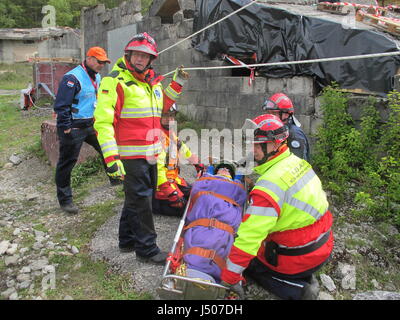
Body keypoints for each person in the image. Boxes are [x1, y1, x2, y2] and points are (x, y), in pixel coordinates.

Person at [93, 32, 189, 265]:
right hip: (129, 156)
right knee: (142, 202)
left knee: (134, 199)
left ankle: (126, 240)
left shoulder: (152, 83)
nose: (139, 59)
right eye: (136, 54)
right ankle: (146, 249)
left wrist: (176, 83)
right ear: (128, 54)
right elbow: (103, 123)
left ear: (151, 60)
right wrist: (111, 158)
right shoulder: (114, 82)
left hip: (151, 154)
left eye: (144, 56)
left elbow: (162, 106)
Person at [220, 114, 334, 300]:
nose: (252, 149)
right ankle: (303, 274)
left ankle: (299, 290)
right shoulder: (297, 163)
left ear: (275, 144)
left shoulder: (269, 187)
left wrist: (230, 278)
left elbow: (249, 239)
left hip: (301, 256)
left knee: (250, 263)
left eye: (257, 144)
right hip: (323, 243)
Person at [54, 46, 116, 215]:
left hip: (92, 124)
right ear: (89, 59)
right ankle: (65, 200)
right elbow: (61, 106)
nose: (102, 65)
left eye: (104, 62)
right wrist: (66, 127)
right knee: (67, 163)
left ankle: (116, 179)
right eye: (99, 61)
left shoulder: (97, 75)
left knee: (107, 149)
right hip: (73, 127)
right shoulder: (72, 78)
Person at [153, 103, 203, 217]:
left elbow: (181, 147)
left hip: (172, 180)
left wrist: (195, 162)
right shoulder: (156, 137)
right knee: (190, 210)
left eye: (171, 116)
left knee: (196, 195)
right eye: (165, 116)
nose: (169, 119)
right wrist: (170, 192)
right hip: (159, 189)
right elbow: (157, 169)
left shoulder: (169, 132)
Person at [262, 93, 311, 162]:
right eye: (269, 113)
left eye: (274, 113)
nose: (271, 117)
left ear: (286, 114)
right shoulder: (279, 131)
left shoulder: (294, 134)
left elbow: (298, 164)